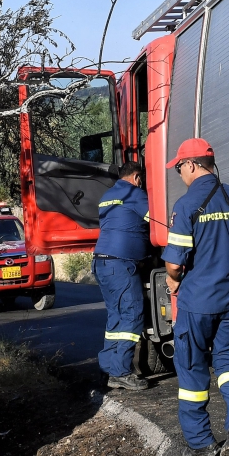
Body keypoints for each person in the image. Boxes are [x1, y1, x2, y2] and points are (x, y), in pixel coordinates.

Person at [162, 138, 229, 456]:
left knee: (191, 370)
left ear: (190, 166)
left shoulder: (187, 206)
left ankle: (201, 443)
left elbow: (174, 263)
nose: (180, 174)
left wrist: (173, 279)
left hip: (198, 302)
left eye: (179, 168)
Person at [92, 161, 151, 391]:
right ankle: (121, 371)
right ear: (137, 177)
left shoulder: (107, 196)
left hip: (102, 262)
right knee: (132, 315)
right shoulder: (134, 193)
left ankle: (108, 368)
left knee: (115, 317)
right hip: (120, 265)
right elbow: (154, 219)